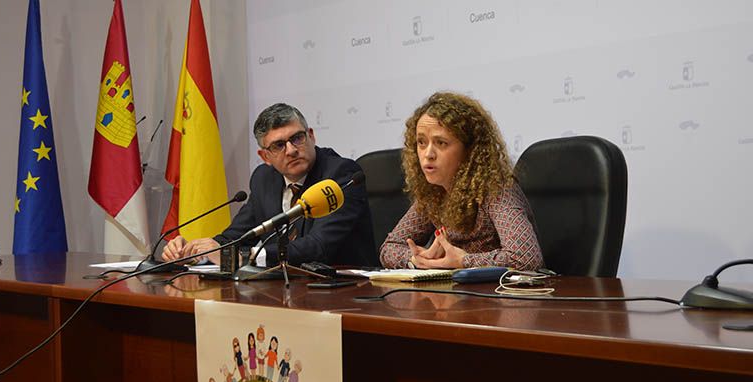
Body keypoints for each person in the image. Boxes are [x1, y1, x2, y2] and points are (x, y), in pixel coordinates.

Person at [162, 103, 377, 267]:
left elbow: (318, 247)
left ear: (311, 136)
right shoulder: (264, 178)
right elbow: (235, 236)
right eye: (279, 145)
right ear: (265, 156)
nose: (291, 150)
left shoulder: (341, 175)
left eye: (298, 138)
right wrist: (196, 253)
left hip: (343, 293)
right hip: (282, 290)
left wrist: (247, 257)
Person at [380, 92, 543, 271]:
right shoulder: (433, 192)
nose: (428, 154)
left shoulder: (496, 188)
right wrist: (419, 259)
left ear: (469, 150)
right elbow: (389, 247)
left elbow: (526, 258)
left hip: (501, 294)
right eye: (421, 142)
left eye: (441, 143)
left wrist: (464, 261)